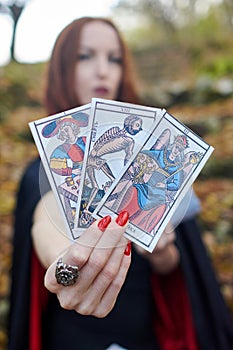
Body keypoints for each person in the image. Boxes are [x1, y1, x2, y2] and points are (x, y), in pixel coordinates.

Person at [7, 17, 233, 350]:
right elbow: (47, 217)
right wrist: (65, 264)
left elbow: (174, 266)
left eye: (114, 58)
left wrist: (163, 249)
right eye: (86, 56)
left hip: (145, 334)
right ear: (61, 69)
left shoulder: (155, 151)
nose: (103, 70)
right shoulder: (44, 169)